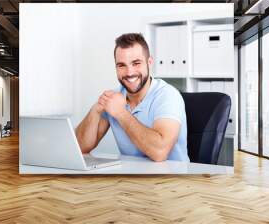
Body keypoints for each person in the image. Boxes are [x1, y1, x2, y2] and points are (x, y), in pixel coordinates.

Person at [75, 33, 188, 162]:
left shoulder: (168, 96)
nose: (129, 72)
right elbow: (79, 148)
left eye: (136, 63)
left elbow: (160, 152)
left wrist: (121, 113)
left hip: (172, 179)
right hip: (131, 178)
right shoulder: (115, 97)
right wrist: (95, 110)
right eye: (121, 65)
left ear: (149, 62)